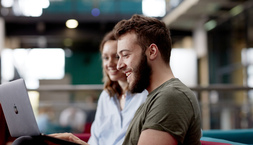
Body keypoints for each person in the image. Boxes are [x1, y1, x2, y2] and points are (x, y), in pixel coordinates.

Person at [12, 30, 148, 145]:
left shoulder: (144, 96)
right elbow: (95, 139)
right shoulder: (106, 97)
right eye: (105, 58)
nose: (110, 63)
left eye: (116, 57)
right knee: (26, 141)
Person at [113, 14, 202, 145]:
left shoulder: (171, 97)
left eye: (125, 55)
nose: (119, 65)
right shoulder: (154, 98)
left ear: (152, 51)